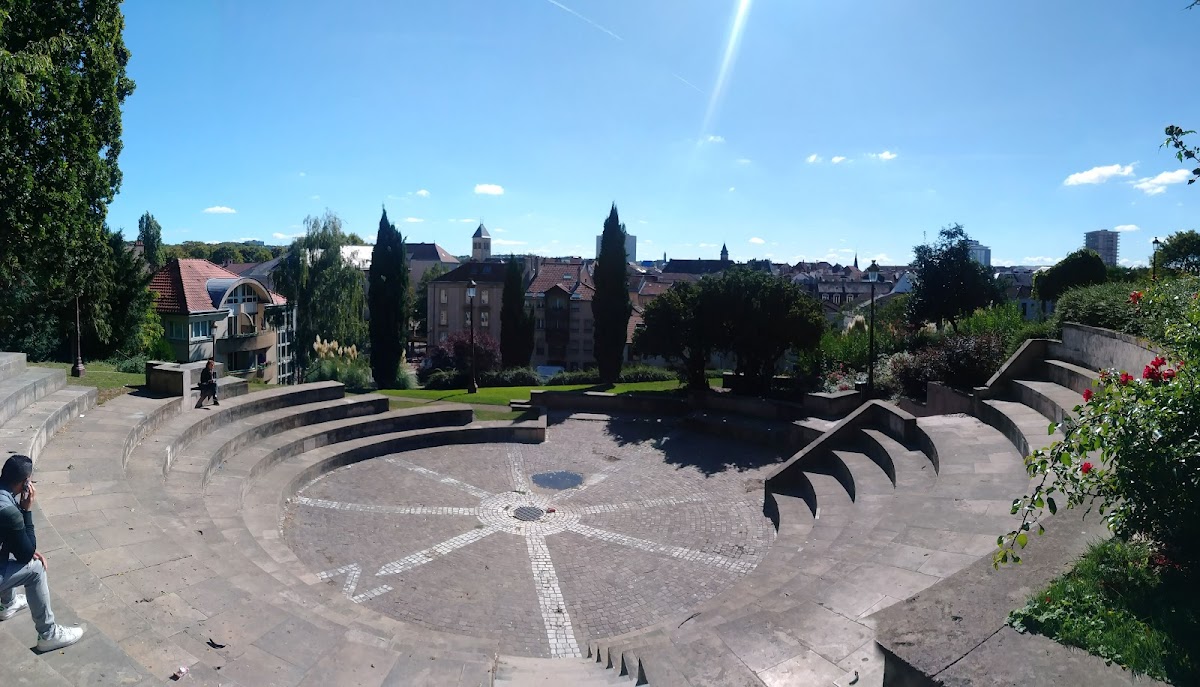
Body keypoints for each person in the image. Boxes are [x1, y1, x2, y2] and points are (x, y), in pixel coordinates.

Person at [0, 454, 85, 651]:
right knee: (36, 569)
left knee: (9, 545)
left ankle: (8, 603)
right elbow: (26, 554)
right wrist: (26, 511)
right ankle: (49, 634)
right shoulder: (9, 511)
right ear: (25, 482)